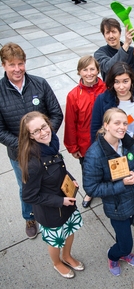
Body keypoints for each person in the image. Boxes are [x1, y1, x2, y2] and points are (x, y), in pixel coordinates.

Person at [0, 43, 63, 239]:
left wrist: (44, 135)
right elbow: (0, 131)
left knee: (53, 181)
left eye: (20, 63)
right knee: (26, 187)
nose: (17, 69)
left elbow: (56, 114)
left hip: (48, 149)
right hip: (20, 154)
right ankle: (29, 216)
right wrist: (27, 145)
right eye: (12, 65)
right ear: (4, 65)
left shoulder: (40, 83)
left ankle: (58, 209)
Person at [20, 111, 84, 279]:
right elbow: (29, 196)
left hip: (66, 201)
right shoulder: (33, 163)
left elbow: (59, 167)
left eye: (44, 126)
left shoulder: (52, 142)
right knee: (55, 241)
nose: (43, 132)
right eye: (36, 131)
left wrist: (71, 179)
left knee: (70, 230)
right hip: (51, 211)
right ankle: (57, 263)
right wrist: (60, 200)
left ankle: (67, 256)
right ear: (30, 136)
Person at [83, 108, 134, 276]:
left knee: (122, 237)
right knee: (126, 244)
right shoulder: (95, 154)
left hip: (133, 199)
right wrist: (122, 184)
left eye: (125, 123)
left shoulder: (126, 141)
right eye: (117, 123)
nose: (122, 127)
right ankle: (113, 255)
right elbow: (91, 188)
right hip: (117, 208)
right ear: (106, 125)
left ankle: (123, 253)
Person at [91, 62, 134, 227]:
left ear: (132, 80)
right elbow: (95, 128)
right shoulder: (103, 100)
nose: (121, 86)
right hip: (114, 149)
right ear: (111, 82)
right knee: (118, 180)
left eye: (125, 81)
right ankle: (120, 209)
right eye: (117, 82)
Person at [64, 55, 106, 208]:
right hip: (85, 143)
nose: (89, 73)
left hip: (107, 140)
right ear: (79, 72)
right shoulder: (73, 96)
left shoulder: (106, 89)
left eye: (92, 69)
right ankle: (90, 191)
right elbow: (70, 124)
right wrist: (73, 147)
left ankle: (107, 188)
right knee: (88, 170)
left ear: (98, 70)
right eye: (85, 70)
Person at [94, 18, 134, 91]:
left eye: (114, 32)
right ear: (104, 36)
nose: (111, 36)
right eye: (107, 33)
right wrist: (126, 45)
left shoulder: (133, 52)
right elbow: (109, 67)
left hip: (132, 96)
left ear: (120, 33)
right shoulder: (99, 53)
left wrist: (132, 92)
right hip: (111, 96)